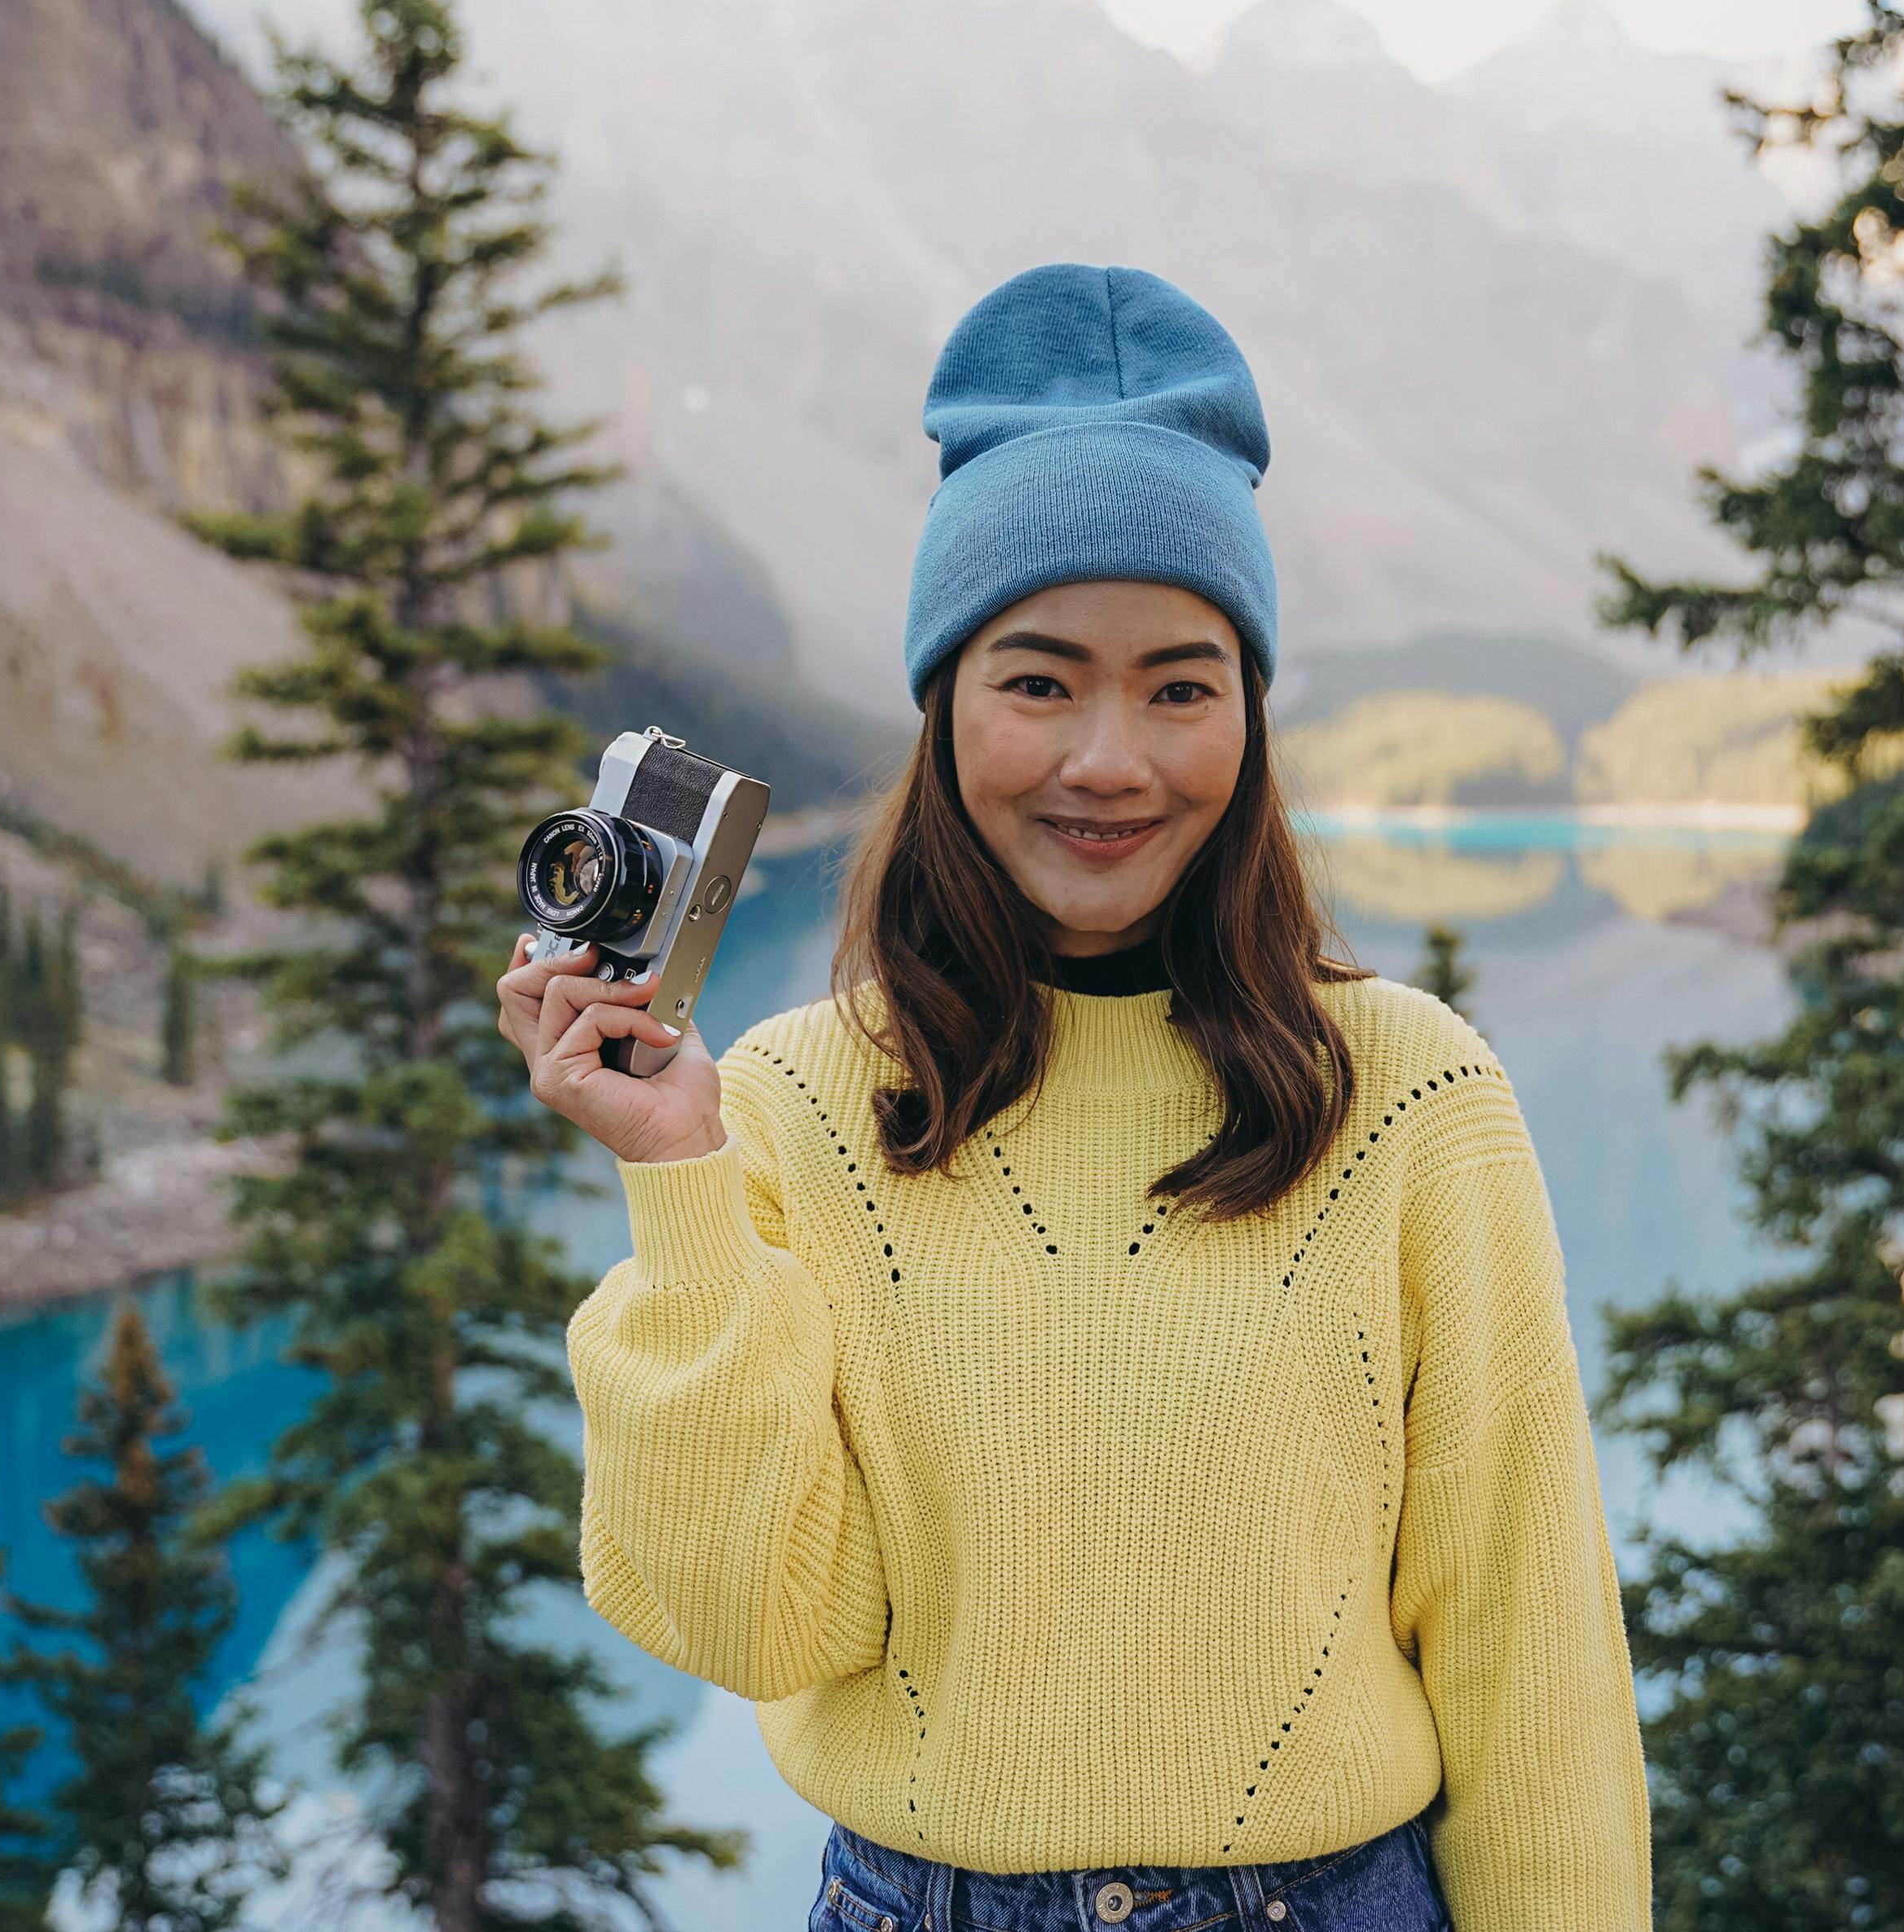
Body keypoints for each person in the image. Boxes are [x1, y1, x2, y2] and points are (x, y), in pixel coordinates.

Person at [499, 264, 1647, 1932]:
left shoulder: (1411, 1093)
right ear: (943, 706)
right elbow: (749, 1622)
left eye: (1180, 685)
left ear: (1248, 719)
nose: (1109, 757)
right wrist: (679, 1183)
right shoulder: (793, 1098)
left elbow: (1524, 1642)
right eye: (1037, 680)